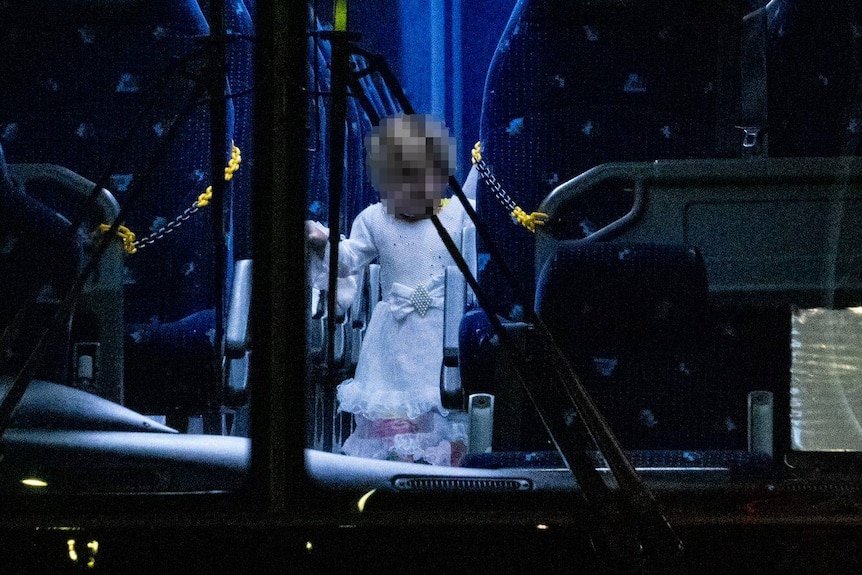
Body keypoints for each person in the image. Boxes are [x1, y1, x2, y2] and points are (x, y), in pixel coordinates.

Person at [306, 114, 471, 466]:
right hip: (392, 344)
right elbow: (347, 260)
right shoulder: (374, 219)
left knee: (443, 419)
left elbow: (474, 262)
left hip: (443, 339)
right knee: (393, 424)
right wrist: (323, 243)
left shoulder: (459, 214)